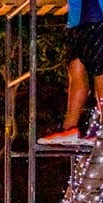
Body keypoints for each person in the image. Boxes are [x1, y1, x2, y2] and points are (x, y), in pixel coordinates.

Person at [38, 0, 103, 146]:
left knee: (100, 71)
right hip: (76, 21)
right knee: (75, 67)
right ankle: (70, 128)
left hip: (97, 16)